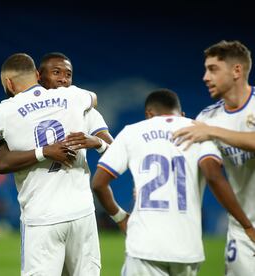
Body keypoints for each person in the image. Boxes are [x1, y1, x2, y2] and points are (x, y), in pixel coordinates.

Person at [92, 89, 255, 276]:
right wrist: (247, 225)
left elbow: (98, 183)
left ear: (148, 115)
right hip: (187, 249)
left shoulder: (132, 132)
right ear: (181, 114)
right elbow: (213, 175)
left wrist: (121, 218)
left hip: (145, 245)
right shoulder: (199, 130)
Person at [0, 53, 101, 275]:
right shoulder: (73, 96)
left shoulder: (2, 112)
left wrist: (40, 152)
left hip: (42, 217)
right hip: (82, 213)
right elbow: (93, 98)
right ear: (37, 75)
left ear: (9, 83)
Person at [172, 40, 255, 276]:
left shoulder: (211, 126)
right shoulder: (208, 118)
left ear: (237, 70)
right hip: (243, 227)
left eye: (213, 69)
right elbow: (210, 171)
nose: (205, 77)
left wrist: (214, 132)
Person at [0, 52, 113, 175]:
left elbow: (117, 154)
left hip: (79, 194)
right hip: (35, 194)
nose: (63, 79)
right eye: (56, 72)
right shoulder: (16, 114)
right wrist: (43, 152)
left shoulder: (83, 109)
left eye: (68, 75)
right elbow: (1, 164)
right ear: (38, 76)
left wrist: (98, 143)